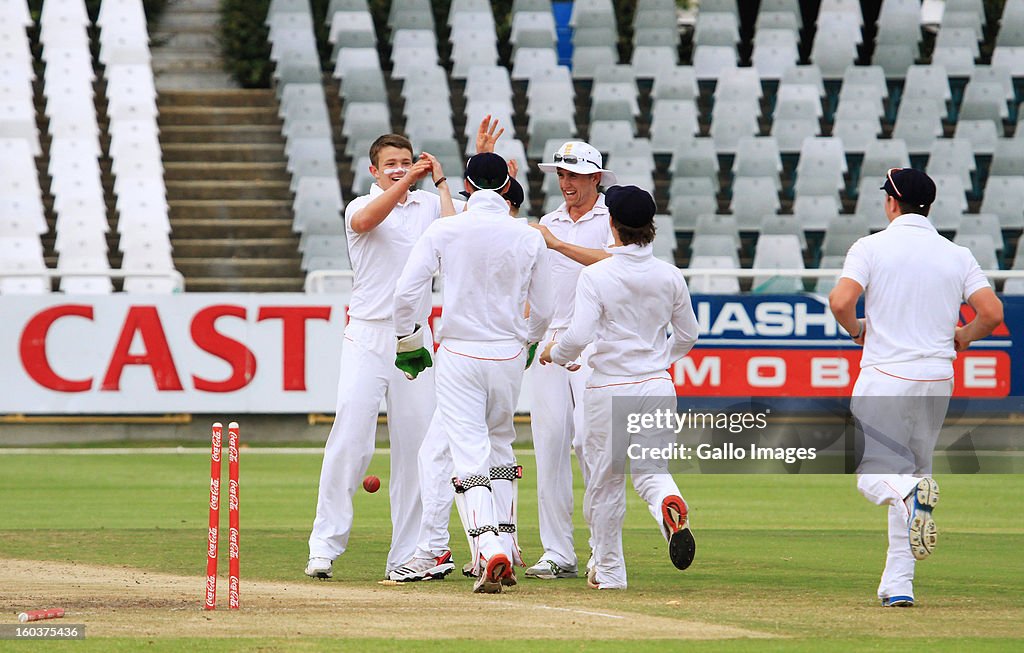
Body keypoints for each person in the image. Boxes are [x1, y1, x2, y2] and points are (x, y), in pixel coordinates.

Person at [828, 167, 1003, 607]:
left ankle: (908, 496)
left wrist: (855, 330)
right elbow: (992, 312)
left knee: (874, 477)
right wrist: (962, 336)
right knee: (915, 472)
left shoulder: (871, 247)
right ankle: (899, 585)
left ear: (891, 202)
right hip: (936, 380)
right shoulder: (956, 253)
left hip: (886, 376)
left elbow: (840, 301)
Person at [392, 152, 553, 593]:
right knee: (500, 445)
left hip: (460, 351)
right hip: (506, 354)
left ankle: (489, 551)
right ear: (506, 187)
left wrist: (408, 340)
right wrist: (527, 339)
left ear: (468, 183)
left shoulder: (445, 229)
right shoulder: (528, 236)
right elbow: (544, 309)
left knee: (467, 454)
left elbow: (407, 293)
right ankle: (507, 541)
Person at [304, 133, 455, 580]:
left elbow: (454, 237)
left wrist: (443, 185)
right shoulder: (359, 204)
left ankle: (406, 558)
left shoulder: (428, 205)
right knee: (351, 437)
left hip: (415, 339)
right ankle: (324, 547)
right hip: (368, 335)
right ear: (374, 170)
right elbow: (369, 221)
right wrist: (405, 182)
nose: (399, 167)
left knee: (416, 449)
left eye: (406, 161)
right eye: (390, 163)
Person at [539, 184, 699, 590]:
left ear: (612, 223)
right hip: (657, 387)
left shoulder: (597, 274)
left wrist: (553, 353)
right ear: (650, 227)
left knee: (606, 482)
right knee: (651, 473)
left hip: (608, 388)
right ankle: (667, 503)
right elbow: (688, 335)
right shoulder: (670, 274)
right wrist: (658, 362)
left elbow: (577, 337)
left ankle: (610, 572)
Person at [525, 140, 616, 580]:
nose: (566, 183)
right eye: (561, 175)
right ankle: (558, 552)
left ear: (596, 177)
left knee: (588, 443)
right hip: (550, 342)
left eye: (575, 175)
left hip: (596, 342)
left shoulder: (610, 218)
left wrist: (557, 244)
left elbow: (610, 262)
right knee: (550, 447)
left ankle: (602, 549)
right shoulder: (549, 221)